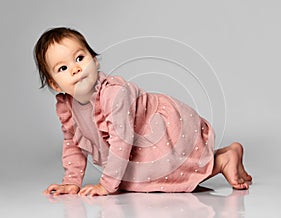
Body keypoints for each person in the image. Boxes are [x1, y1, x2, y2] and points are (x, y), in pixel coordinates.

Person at [34, 27, 252, 196]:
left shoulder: (113, 93)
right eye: (63, 68)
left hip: (157, 127)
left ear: (95, 61)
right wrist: (72, 182)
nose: (75, 68)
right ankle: (225, 155)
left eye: (80, 58)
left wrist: (106, 185)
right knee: (138, 178)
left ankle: (222, 161)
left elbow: (121, 140)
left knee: (168, 172)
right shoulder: (67, 107)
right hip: (132, 146)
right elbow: (73, 144)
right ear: (55, 84)